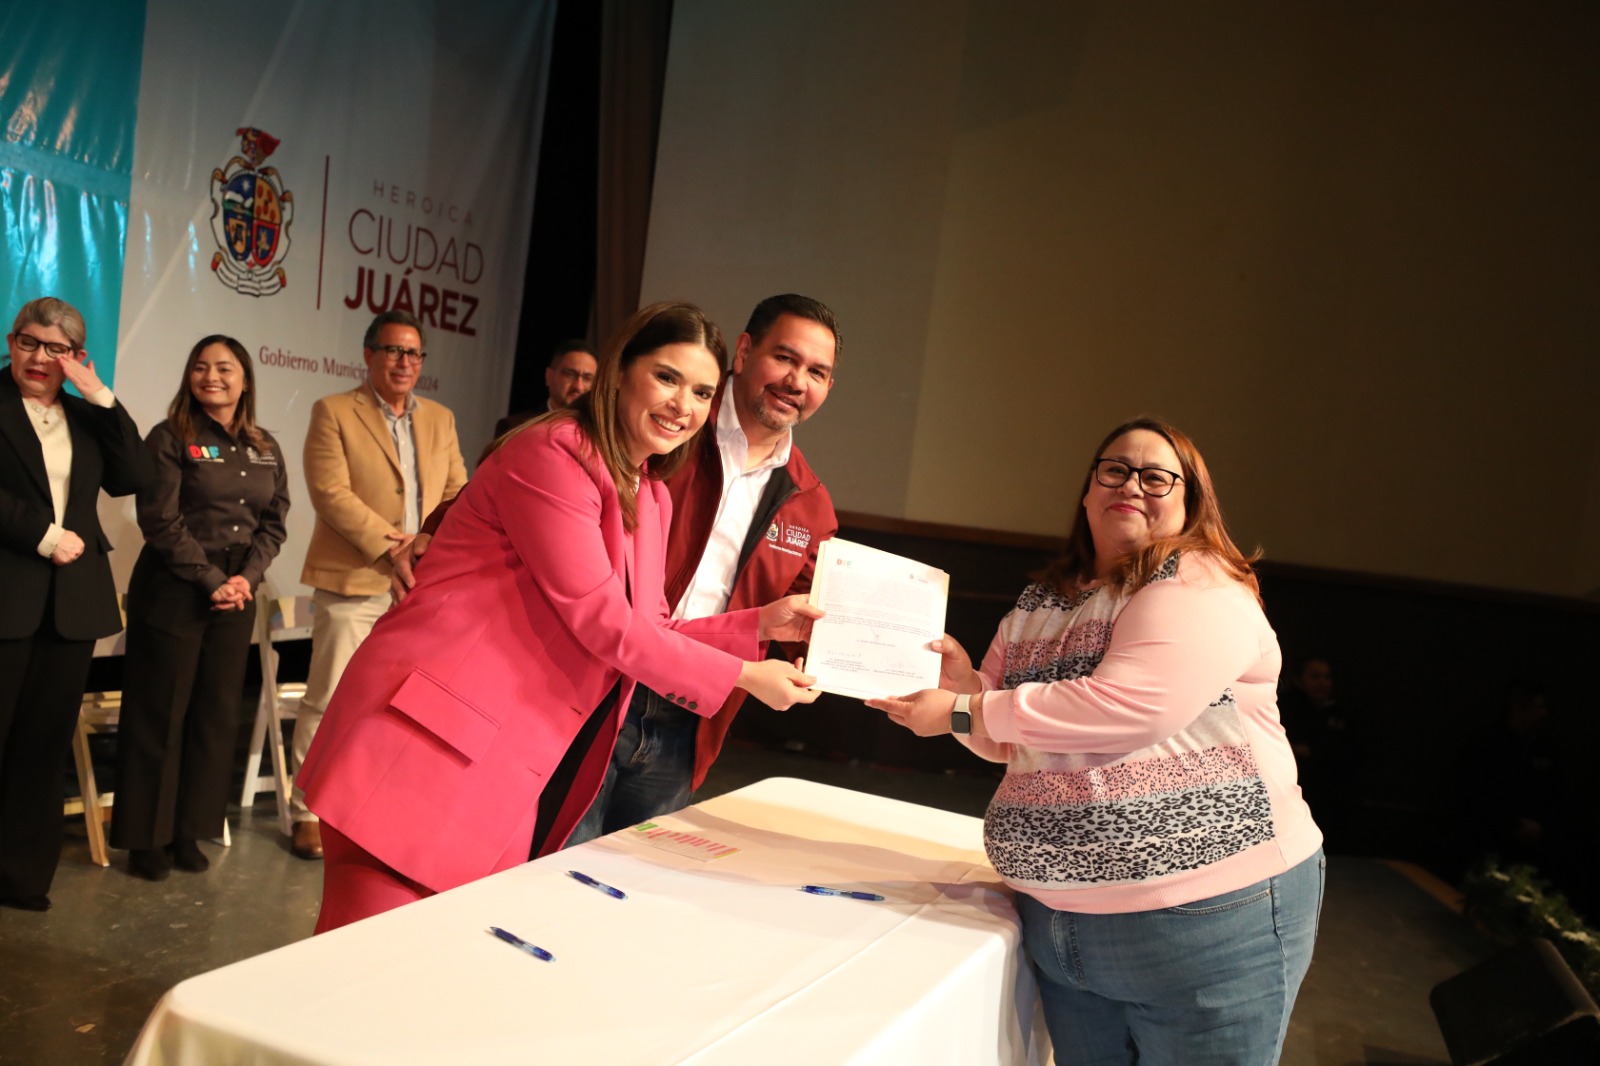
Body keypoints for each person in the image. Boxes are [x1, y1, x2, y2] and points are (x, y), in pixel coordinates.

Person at [296, 302, 822, 931]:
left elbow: (651, 625)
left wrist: (759, 625)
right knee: (361, 963)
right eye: (667, 377)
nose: (683, 405)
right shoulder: (556, 451)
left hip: (501, 767)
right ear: (619, 372)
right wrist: (743, 677)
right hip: (423, 743)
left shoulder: (650, 492)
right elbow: (602, 620)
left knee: (434, 964)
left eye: (702, 392)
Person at [868, 417, 1323, 1065]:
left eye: (1157, 477)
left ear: (1190, 503)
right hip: (1058, 927)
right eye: (1115, 470)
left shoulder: (1197, 582)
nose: (1132, 485)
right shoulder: (1042, 600)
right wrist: (965, 686)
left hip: (1208, 923)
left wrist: (966, 710)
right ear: (1087, 492)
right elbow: (1011, 740)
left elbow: (1127, 709)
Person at [567, 293, 839, 844]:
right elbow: (558, 476)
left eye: (816, 372)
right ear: (744, 350)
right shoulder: (670, 426)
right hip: (593, 688)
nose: (796, 381)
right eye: (784, 358)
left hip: (689, 718)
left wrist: (889, 657)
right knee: (546, 865)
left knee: (630, 875)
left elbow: (811, 618)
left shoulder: (811, 504)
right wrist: (434, 530)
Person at [290, 310, 468, 860]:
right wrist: (395, 546)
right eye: (393, 350)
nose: (404, 362)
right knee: (328, 697)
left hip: (418, 586)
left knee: (399, 705)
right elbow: (330, 492)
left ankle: (367, 809)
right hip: (354, 578)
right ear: (368, 355)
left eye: (413, 353)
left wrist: (427, 545)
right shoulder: (334, 410)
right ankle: (307, 812)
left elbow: (458, 492)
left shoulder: (440, 418)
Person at [111, 336, 290, 881]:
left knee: (215, 715)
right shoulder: (169, 437)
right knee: (160, 713)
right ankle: (147, 840)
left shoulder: (264, 445)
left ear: (245, 379)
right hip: (174, 586)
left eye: (225, 368)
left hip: (236, 590)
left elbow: (274, 522)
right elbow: (160, 518)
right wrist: (212, 579)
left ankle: (188, 831)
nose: (211, 376)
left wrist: (245, 579)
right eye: (200, 367)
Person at [0, 296, 152, 911]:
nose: (39, 357)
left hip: (71, 604)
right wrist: (41, 535)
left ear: (75, 356)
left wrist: (103, 398)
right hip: (8, 588)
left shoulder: (88, 416)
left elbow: (135, 475)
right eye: (28, 342)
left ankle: (20, 877)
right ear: (11, 342)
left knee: (42, 745)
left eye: (55, 348)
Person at [491, 339, 599, 439]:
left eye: (587, 378)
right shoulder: (515, 427)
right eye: (570, 374)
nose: (578, 386)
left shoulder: (597, 434)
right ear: (549, 376)